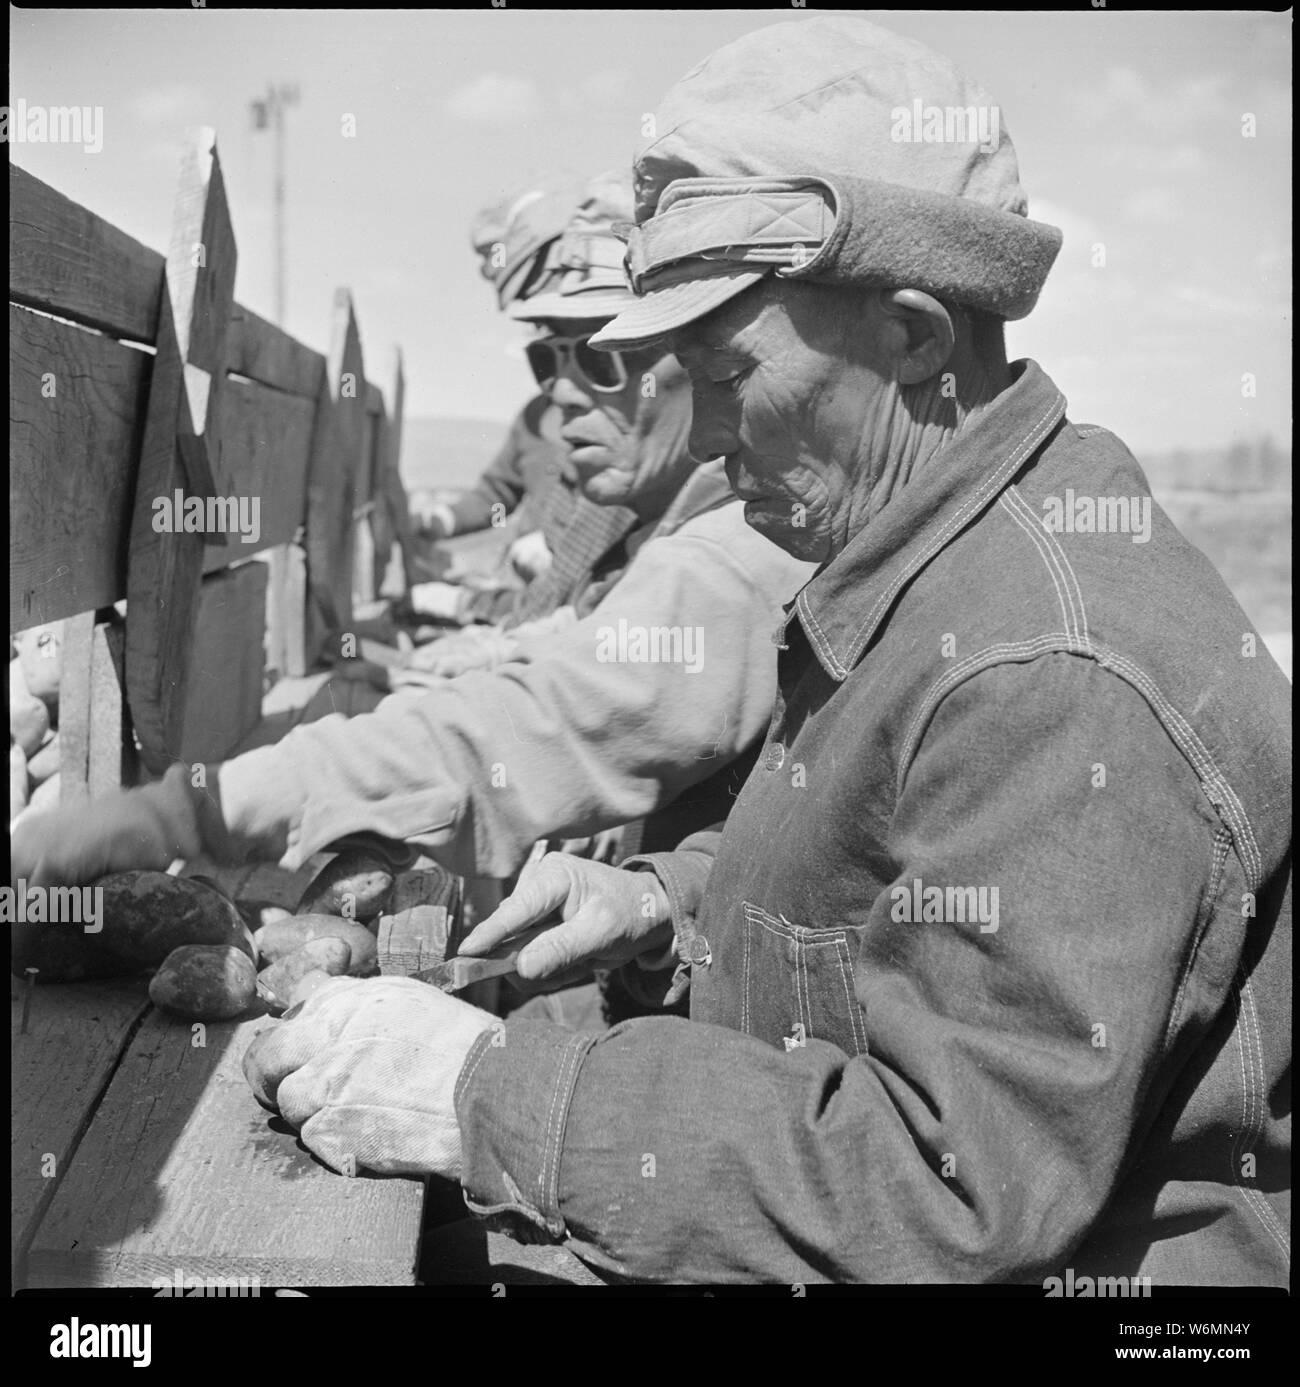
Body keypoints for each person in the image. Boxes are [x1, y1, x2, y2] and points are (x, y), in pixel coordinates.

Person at [233, 17, 1289, 1286]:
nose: (708, 434)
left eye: (729, 375)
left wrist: (476, 1091)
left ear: (913, 337)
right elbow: (901, 902)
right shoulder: (934, 547)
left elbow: (945, 1192)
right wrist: (671, 910)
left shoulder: (1049, 672)